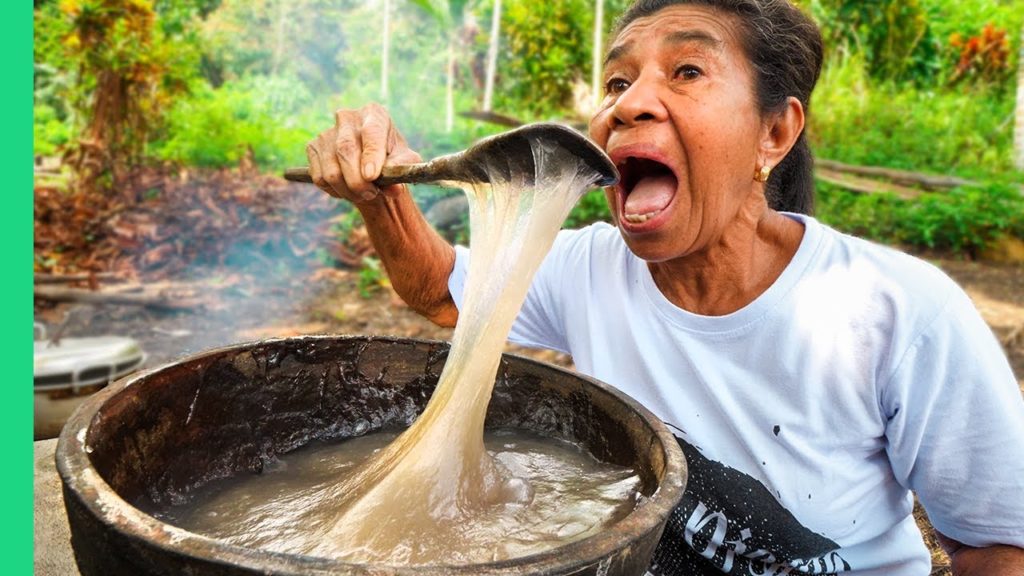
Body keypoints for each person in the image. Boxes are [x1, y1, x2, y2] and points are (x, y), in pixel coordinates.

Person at [303, 0, 1024, 573]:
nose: (627, 104)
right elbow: (443, 294)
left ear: (775, 133)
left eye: (686, 72)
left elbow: (1000, 545)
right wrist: (381, 197)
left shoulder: (896, 312)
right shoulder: (589, 268)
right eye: (617, 82)